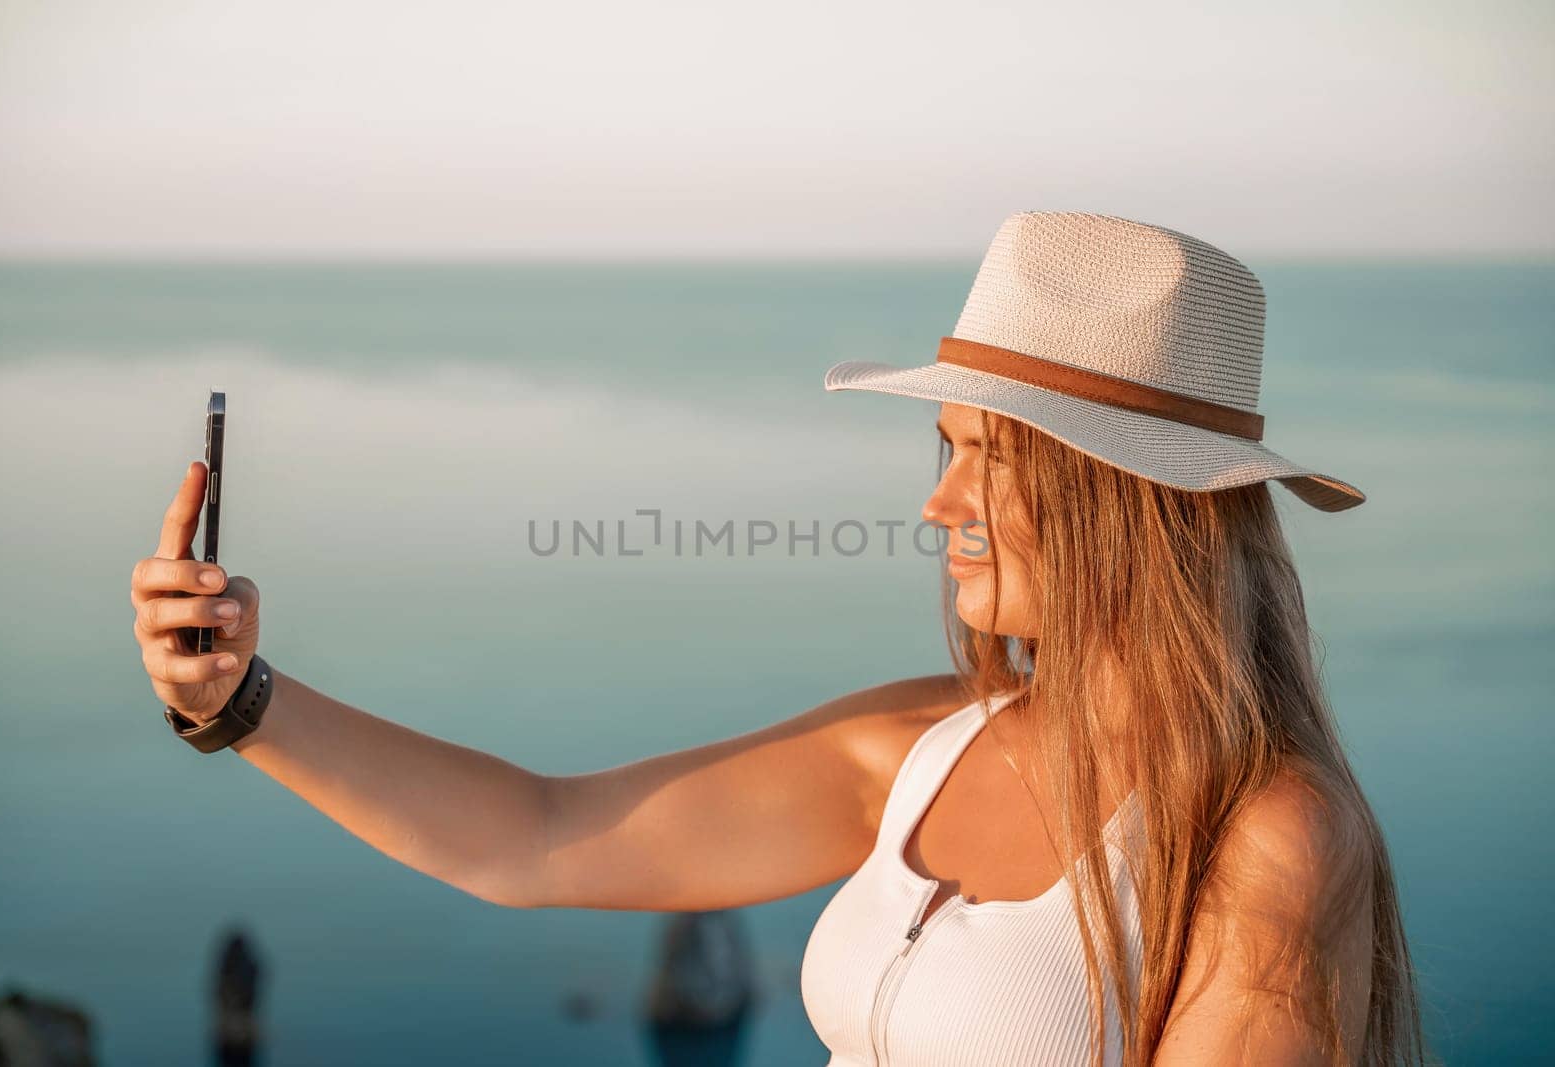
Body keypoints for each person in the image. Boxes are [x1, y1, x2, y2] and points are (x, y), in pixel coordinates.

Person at [130, 212, 1428, 1066]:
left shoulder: (1261, 842)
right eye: (947, 453)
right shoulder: (920, 746)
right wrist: (241, 700)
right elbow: (531, 836)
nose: (939, 504)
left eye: (991, 462)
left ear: (1122, 500)